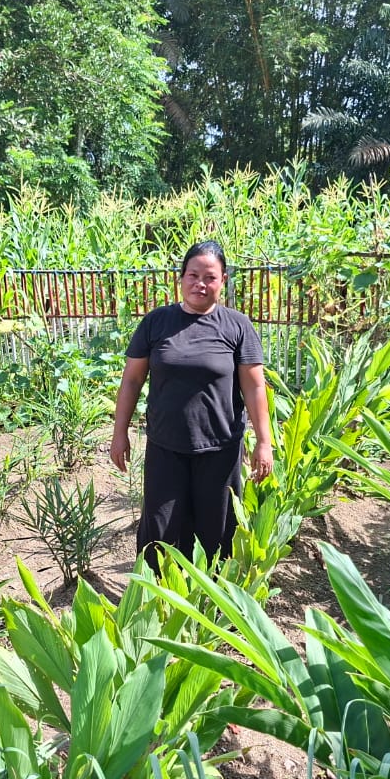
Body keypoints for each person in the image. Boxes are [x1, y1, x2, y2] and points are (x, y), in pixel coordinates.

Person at [109, 240, 273, 570]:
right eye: (193, 275)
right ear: (181, 278)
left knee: (217, 530)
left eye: (210, 277)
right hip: (166, 445)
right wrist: (119, 433)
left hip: (220, 449)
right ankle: (157, 601)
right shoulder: (156, 323)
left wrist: (264, 442)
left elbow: (254, 387)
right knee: (159, 529)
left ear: (223, 280)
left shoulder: (237, 327)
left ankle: (211, 602)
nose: (200, 283)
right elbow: (131, 381)